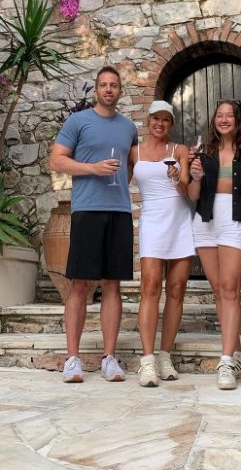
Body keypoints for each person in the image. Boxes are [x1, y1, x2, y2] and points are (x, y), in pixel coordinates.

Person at [49, 66, 138, 383]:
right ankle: (72, 359)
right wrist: (93, 169)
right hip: (86, 210)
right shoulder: (78, 121)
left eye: (115, 85)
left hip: (119, 212)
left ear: (121, 91)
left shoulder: (129, 127)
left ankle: (109, 358)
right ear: (96, 90)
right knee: (80, 284)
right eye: (104, 85)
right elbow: (57, 160)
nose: (109, 89)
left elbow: (134, 164)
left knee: (113, 284)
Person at [188, 100, 241, 390]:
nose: (224, 119)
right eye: (220, 115)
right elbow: (192, 194)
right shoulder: (205, 154)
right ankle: (236, 353)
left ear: (238, 120)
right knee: (218, 290)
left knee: (230, 289)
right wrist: (195, 176)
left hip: (236, 219)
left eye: (230, 115)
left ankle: (226, 360)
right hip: (205, 219)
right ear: (214, 120)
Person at [129, 100, 194, 387]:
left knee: (177, 289)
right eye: (155, 118)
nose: (160, 124)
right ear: (148, 121)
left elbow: (186, 190)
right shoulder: (135, 152)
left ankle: (165, 355)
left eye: (166, 120)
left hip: (180, 220)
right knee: (150, 287)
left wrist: (178, 176)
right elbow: (119, 183)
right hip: (152, 221)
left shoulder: (179, 150)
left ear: (171, 124)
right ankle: (147, 361)